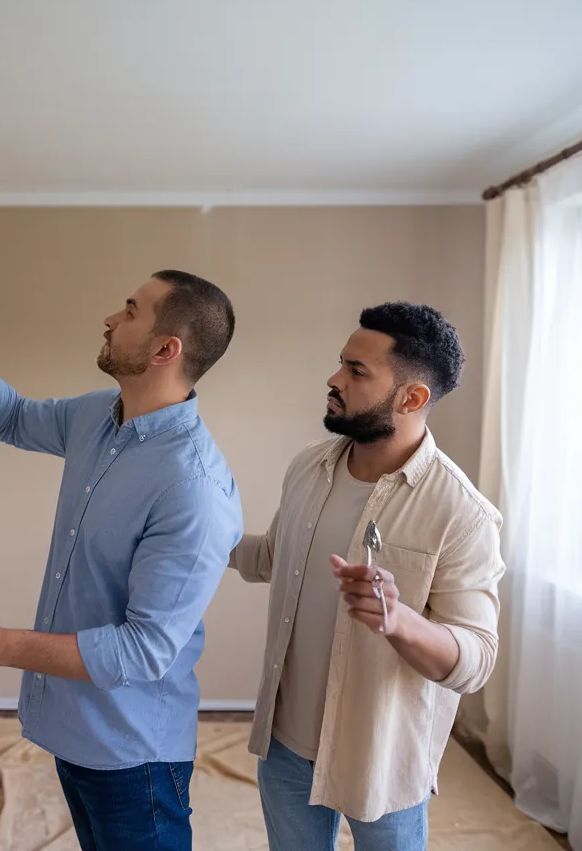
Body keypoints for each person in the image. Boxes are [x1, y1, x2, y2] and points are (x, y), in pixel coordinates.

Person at [0, 270, 243, 851]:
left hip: (134, 756)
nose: (110, 319)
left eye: (130, 310)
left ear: (164, 350)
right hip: (75, 729)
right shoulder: (101, 416)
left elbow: (144, 650)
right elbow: (11, 415)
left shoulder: (192, 487)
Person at [229, 302, 505, 851]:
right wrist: (196, 533)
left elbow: (475, 659)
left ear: (412, 398)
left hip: (383, 760)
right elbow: (272, 558)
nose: (334, 379)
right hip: (284, 748)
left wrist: (399, 621)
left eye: (356, 370)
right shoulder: (308, 467)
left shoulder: (463, 513)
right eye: (342, 363)